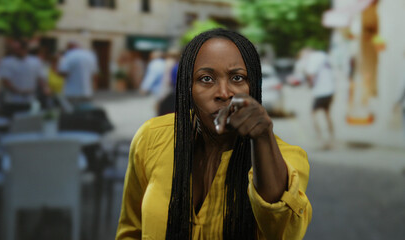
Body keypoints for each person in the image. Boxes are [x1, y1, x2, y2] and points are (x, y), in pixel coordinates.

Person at [116, 29, 311, 239]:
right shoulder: (151, 137)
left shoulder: (287, 158)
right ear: (187, 88)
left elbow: (283, 229)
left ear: (253, 86)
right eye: (206, 79)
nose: (224, 93)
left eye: (237, 78)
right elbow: (131, 230)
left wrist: (263, 137)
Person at [292, 48, 335, 149]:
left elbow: (311, 74)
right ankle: (331, 138)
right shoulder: (322, 56)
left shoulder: (313, 59)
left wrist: (309, 82)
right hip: (330, 89)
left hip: (321, 91)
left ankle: (321, 139)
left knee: (313, 114)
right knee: (327, 113)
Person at [0, 40, 49, 117]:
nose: (15, 51)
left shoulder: (35, 62)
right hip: (12, 100)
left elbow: (40, 78)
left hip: (30, 99)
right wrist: (19, 91)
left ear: (24, 49)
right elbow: (5, 80)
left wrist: (44, 88)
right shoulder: (6, 62)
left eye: (17, 49)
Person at [58, 41, 98, 106]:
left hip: (71, 93)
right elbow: (95, 75)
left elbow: (63, 73)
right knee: (85, 113)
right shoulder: (90, 55)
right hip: (87, 92)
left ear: (69, 47)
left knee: (72, 113)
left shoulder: (69, 55)